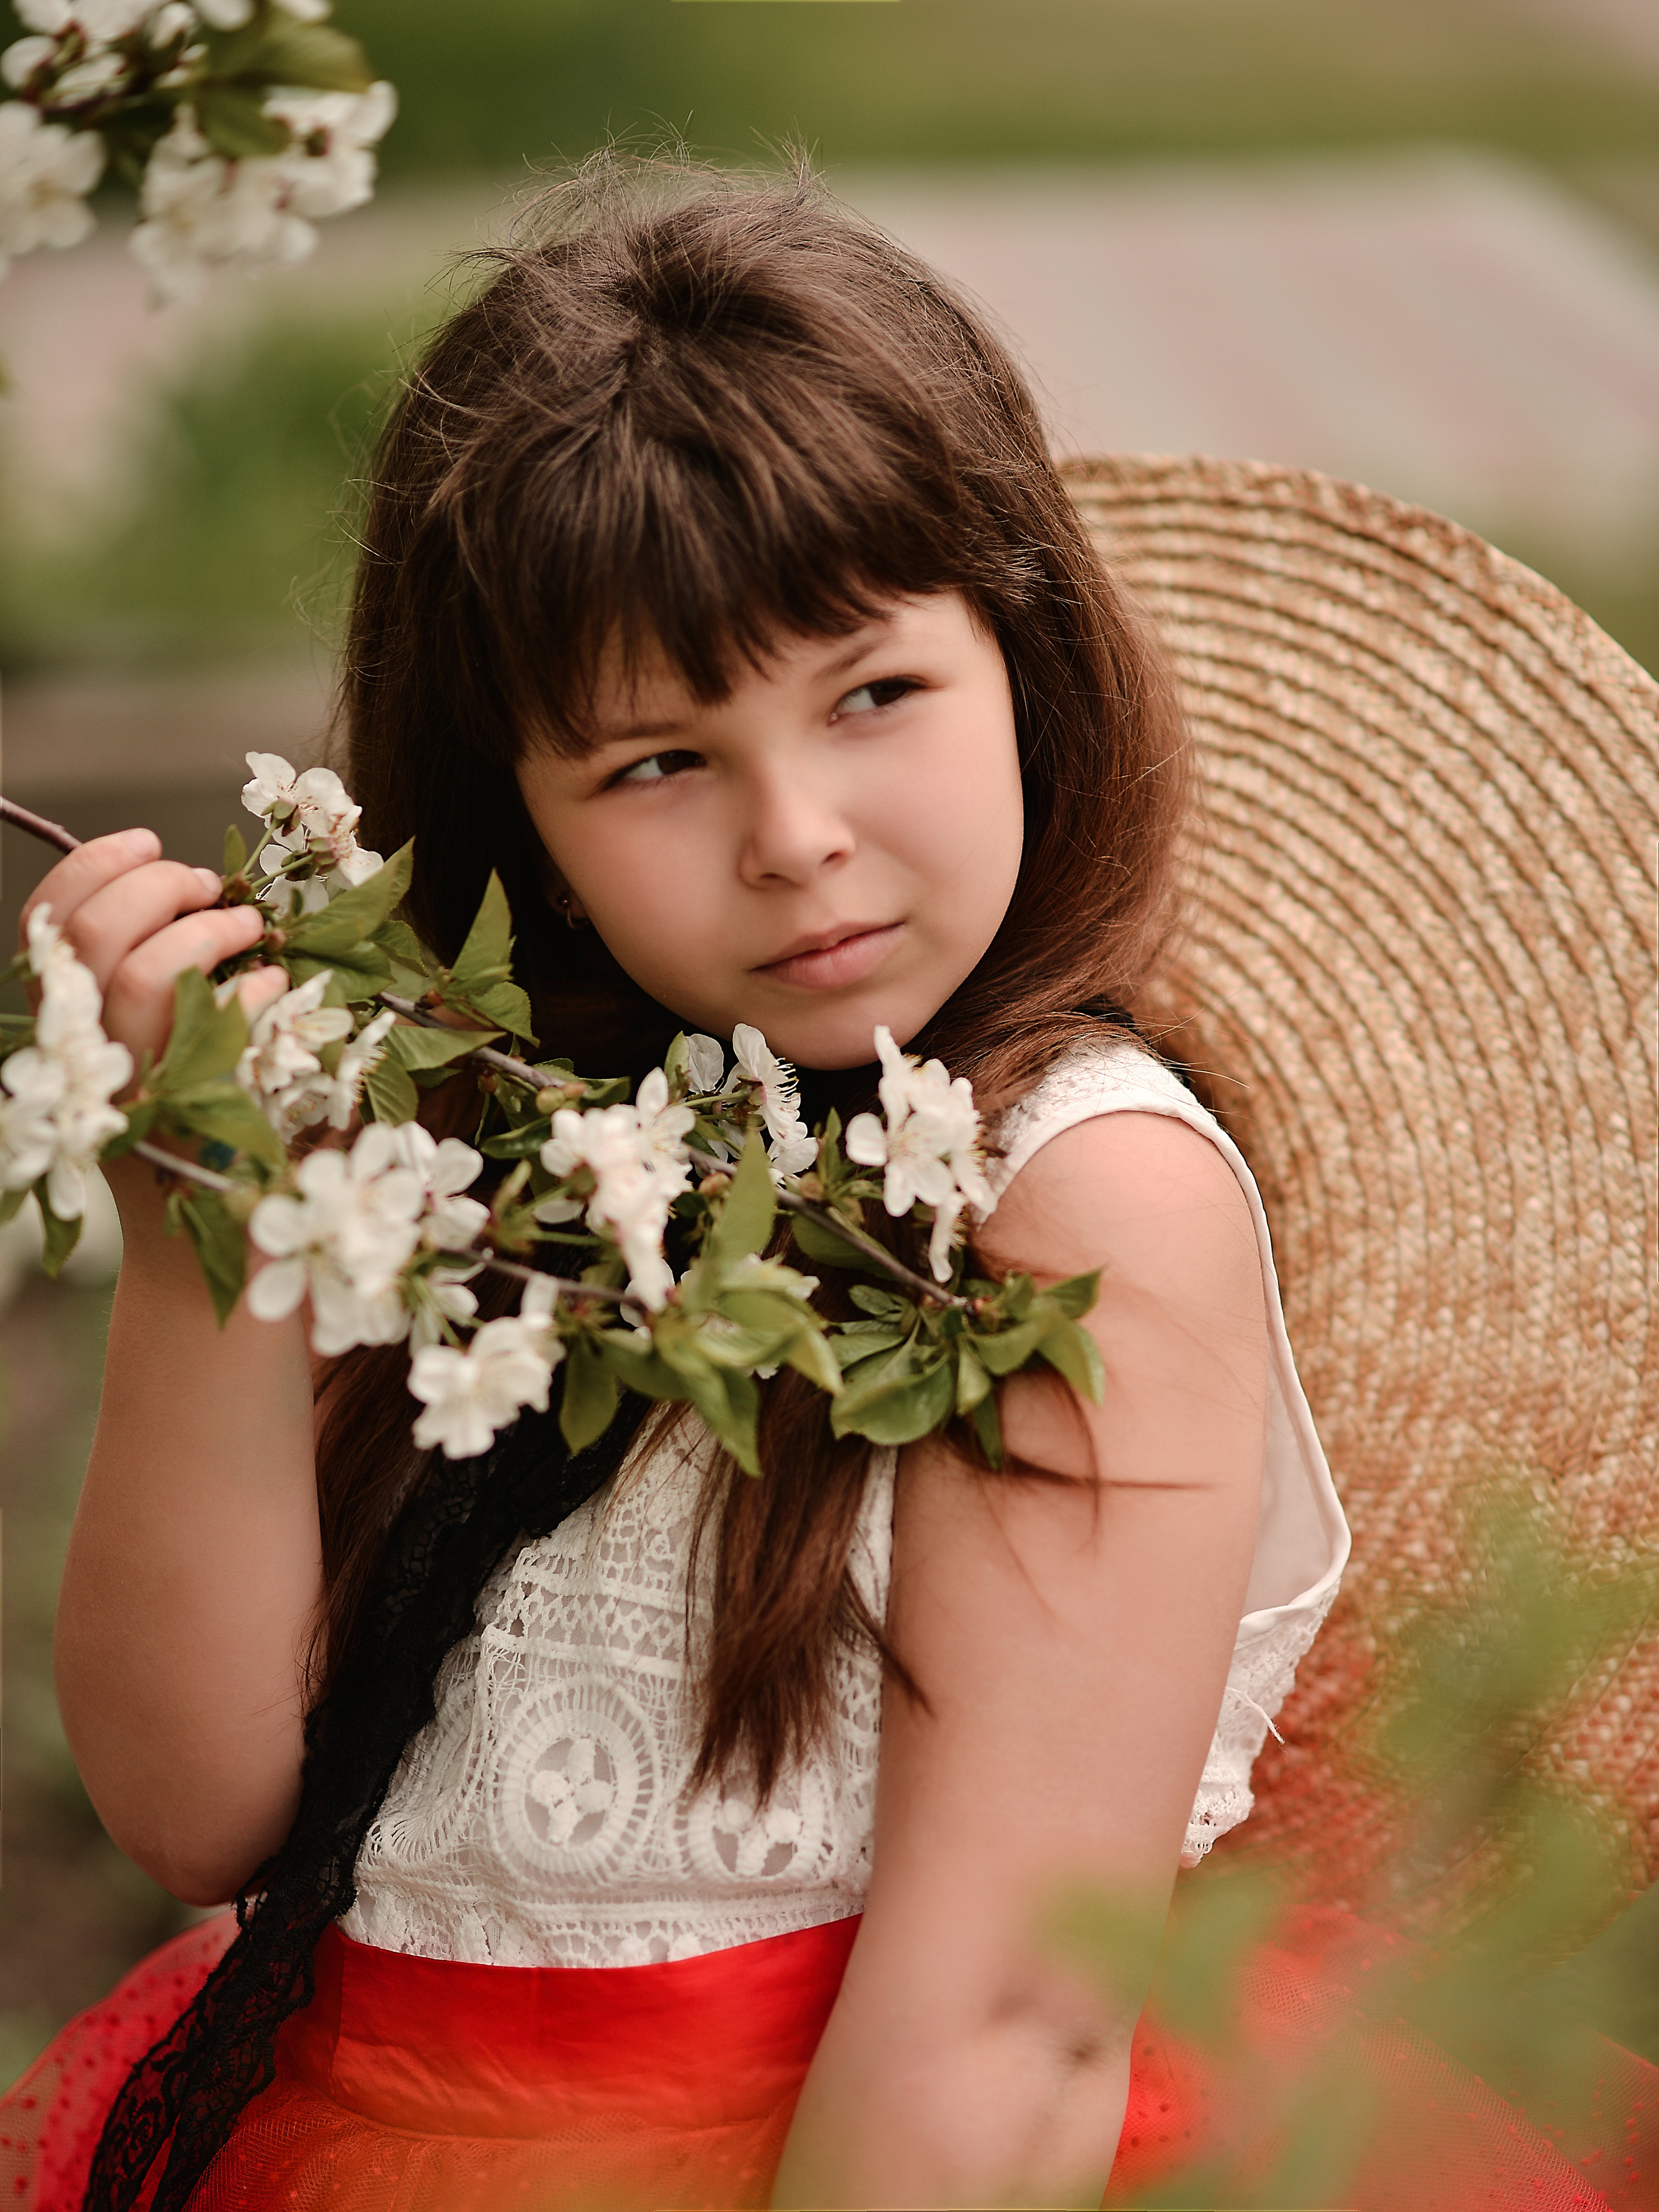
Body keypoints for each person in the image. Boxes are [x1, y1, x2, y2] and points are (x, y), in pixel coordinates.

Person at [5, 164, 1358, 2210]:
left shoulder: (1073, 1206)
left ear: (1028, 664)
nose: (795, 837)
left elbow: (1007, 2020)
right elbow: (200, 1814)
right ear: (532, 835)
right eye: (657, 762)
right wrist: (216, 1197)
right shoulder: (509, 1131)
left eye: (877, 694)